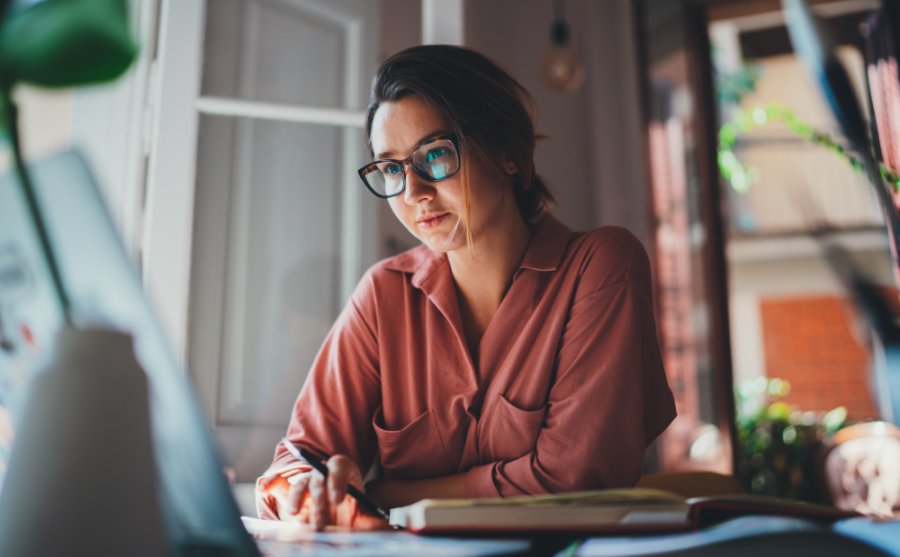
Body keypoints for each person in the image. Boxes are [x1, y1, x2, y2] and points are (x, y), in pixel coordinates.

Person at [255, 45, 676, 529]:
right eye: (391, 168)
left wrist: (386, 494)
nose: (413, 193)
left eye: (435, 155)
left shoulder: (601, 267)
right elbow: (299, 457)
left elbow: (573, 478)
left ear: (508, 153)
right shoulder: (383, 296)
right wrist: (305, 488)